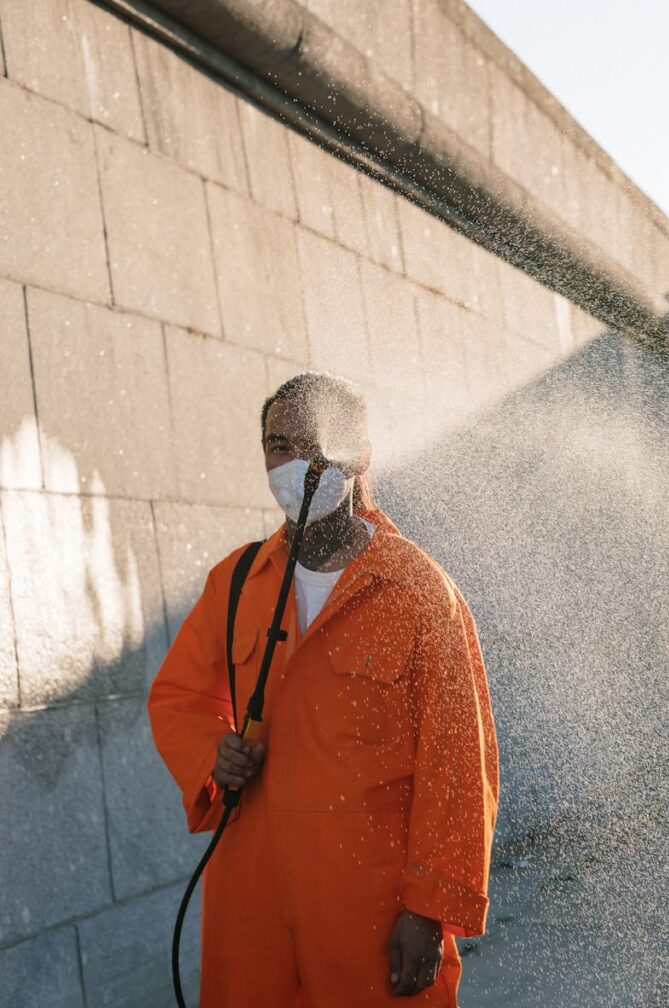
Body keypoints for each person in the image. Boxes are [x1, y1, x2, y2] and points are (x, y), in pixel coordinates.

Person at [147, 371, 499, 1007]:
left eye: (312, 441)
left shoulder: (419, 594)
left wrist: (429, 909)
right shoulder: (236, 581)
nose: (293, 460)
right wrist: (213, 754)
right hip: (249, 908)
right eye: (278, 444)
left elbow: (458, 767)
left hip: (369, 912)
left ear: (359, 454)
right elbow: (179, 698)